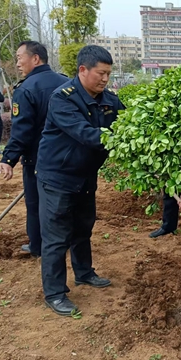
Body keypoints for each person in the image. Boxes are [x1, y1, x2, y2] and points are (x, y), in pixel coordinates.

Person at [36, 45, 123, 316]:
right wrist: (125, 140)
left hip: (85, 176)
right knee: (56, 236)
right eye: (101, 73)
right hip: (58, 178)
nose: (105, 79)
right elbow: (86, 134)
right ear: (83, 70)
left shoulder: (108, 100)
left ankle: (84, 272)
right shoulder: (63, 99)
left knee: (83, 228)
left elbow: (131, 121)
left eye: (108, 74)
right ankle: (55, 293)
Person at [0, 41, 69, 258]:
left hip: (37, 159)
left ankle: (37, 246)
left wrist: (9, 158)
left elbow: (23, 131)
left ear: (35, 58)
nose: (18, 63)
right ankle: (65, 243)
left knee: (36, 204)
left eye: (20, 57)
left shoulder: (26, 89)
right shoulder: (67, 83)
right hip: (66, 157)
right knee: (64, 203)